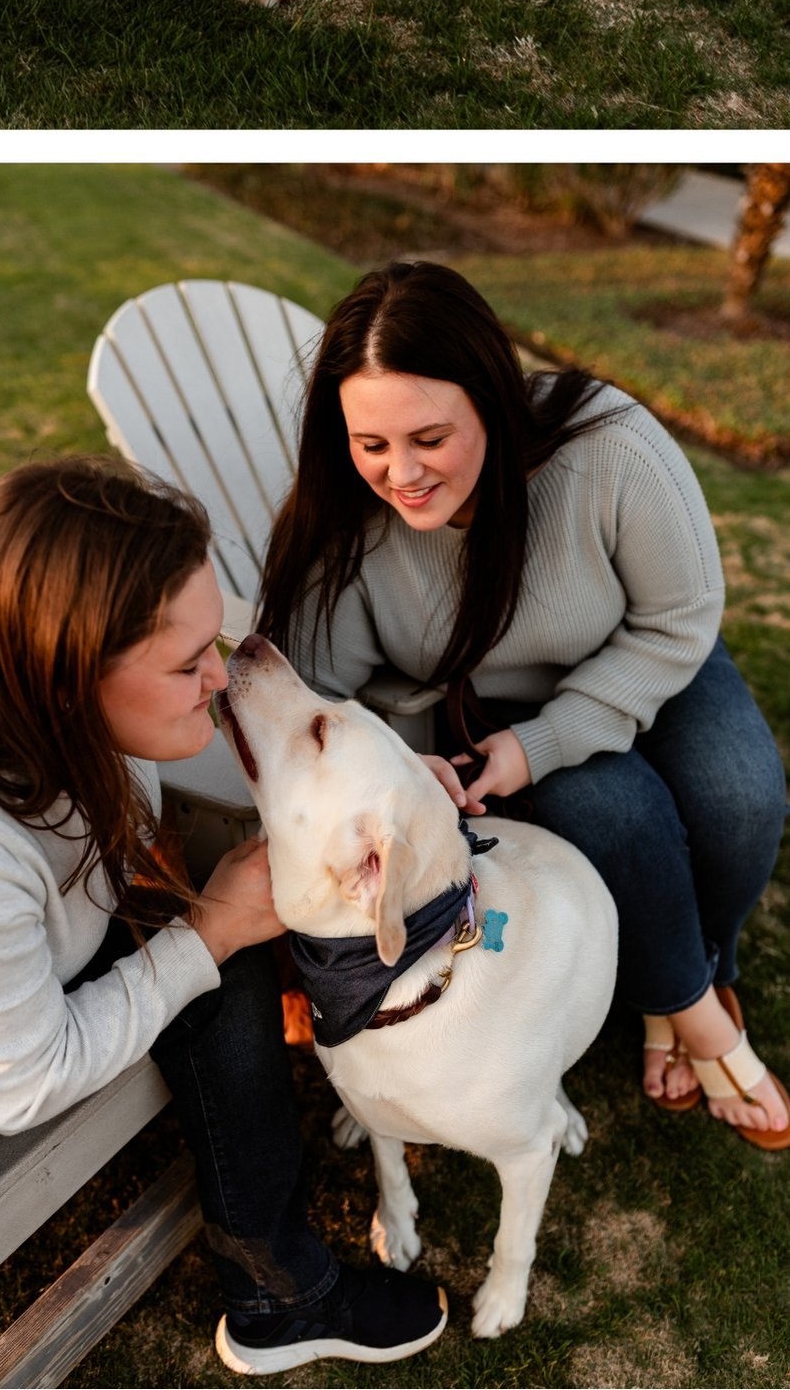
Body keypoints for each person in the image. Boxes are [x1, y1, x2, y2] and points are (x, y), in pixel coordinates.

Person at [258, 258, 788, 1147]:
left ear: (494, 406)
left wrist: (549, 737)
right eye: (371, 443)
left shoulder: (611, 448)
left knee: (743, 796)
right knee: (613, 811)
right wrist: (414, 753)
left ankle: (698, 968)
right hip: (479, 719)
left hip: (644, 654)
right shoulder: (347, 527)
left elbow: (681, 616)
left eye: (430, 437)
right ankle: (691, 1012)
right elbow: (323, 698)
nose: (402, 473)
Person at [0, 457, 447, 1374]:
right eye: (187, 660)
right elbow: (19, 1082)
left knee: (220, 957)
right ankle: (283, 1295)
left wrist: (389, 795)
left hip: (48, 959)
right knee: (217, 955)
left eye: (216, 636)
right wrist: (211, 933)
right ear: (72, 675)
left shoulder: (69, 718)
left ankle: (272, 1289)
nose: (222, 670)